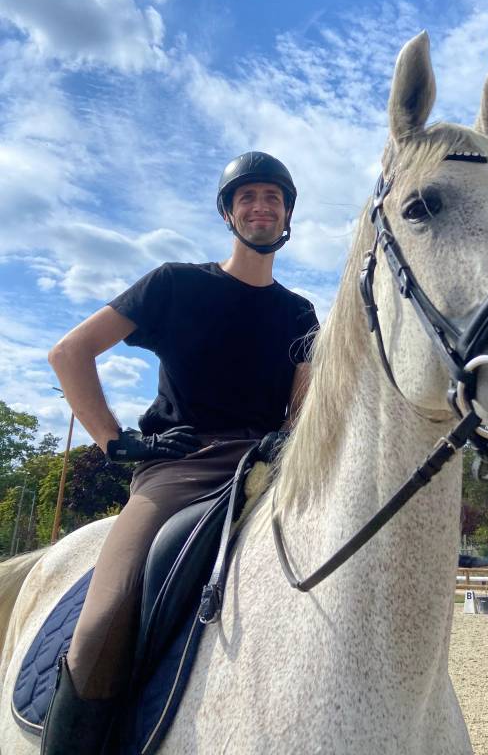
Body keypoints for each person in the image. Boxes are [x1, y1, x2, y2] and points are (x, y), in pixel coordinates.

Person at [42, 152, 319, 755]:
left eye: (273, 196)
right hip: (179, 469)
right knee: (104, 623)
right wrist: (118, 443)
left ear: (288, 212)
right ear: (228, 213)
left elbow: (300, 411)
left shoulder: (299, 313)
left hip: (268, 469)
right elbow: (70, 353)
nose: (260, 206)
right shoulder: (175, 284)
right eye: (246, 197)